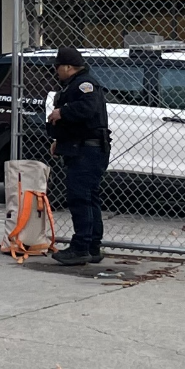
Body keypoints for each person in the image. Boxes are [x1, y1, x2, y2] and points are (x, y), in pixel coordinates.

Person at [46, 47, 111, 266]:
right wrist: (59, 140)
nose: (56, 71)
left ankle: (81, 247)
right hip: (81, 146)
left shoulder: (85, 84)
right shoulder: (74, 85)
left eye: (58, 67)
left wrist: (61, 113)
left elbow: (88, 108)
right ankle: (91, 245)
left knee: (80, 198)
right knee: (88, 197)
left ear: (68, 67)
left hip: (87, 150)